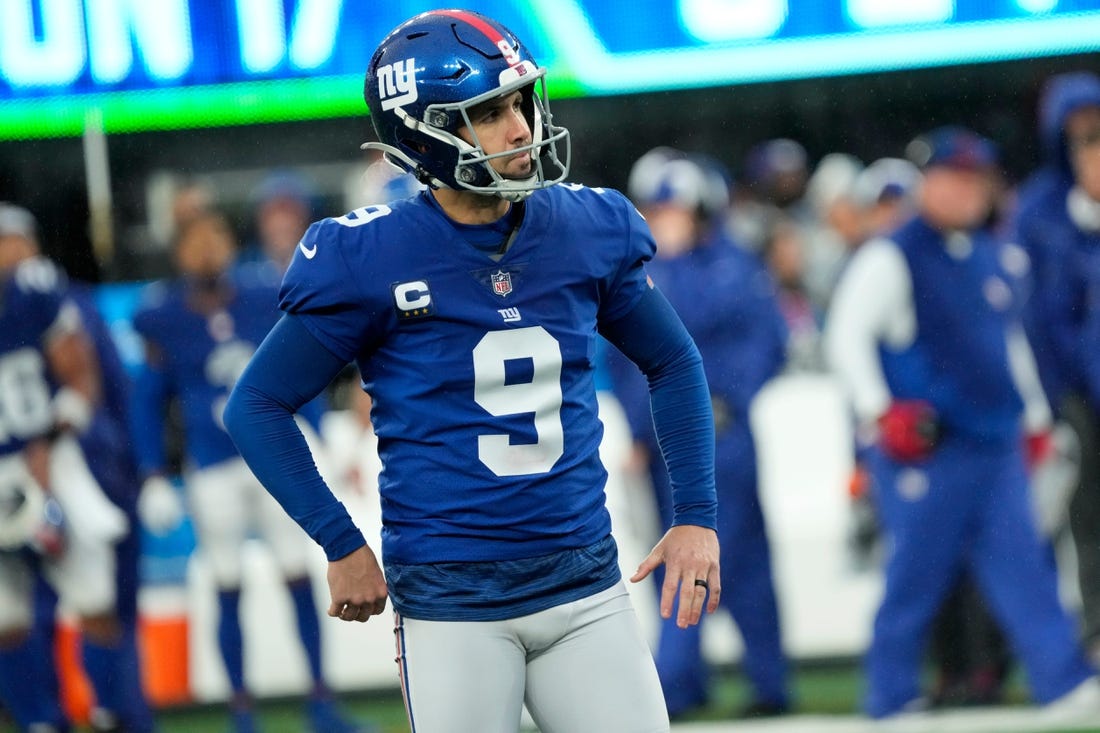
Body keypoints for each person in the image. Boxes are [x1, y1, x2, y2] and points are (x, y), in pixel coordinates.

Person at [222, 9, 720, 733]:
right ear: (424, 132)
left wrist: (697, 515)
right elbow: (257, 405)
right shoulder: (370, 256)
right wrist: (340, 540)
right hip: (453, 603)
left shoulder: (585, 227)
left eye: (519, 101)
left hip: (584, 584)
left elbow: (673, 359)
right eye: (489, 112)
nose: (520, 127)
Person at [824, 126, 1100, 720]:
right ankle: (891, 693)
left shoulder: (989, 253)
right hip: (929, 445)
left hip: (993, 441)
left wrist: (1032, 418)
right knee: (915, 575)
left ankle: (1062, 680)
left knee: (1024, 566)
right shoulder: (892, 252)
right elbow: (845, 335)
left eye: (977, 180)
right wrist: (878, 410)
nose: (968, 191)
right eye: (955, 178)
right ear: (930, 182)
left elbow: (1008, 343)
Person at [129, 211, 370, 733]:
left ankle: (321, 700)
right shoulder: (161, 315)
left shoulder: (265, 295)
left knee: (298, 576)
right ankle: (241, 707)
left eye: (216, 236)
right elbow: (148, 401)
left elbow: (295, 370)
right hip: (212, 466)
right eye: (195, 242)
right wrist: (151, 472)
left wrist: (325, 434)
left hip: (274, 457)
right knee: (227, 584)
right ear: (178, 253)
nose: (207, 251)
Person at [609, 148, 790, 719]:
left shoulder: (725, 267)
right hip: (668, 440)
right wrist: (642, 427)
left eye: (674, 208)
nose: (663, 220)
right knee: (701, 558)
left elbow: (766, 345)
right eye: (655, 209)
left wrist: (716, 402)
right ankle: (708, 683)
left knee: (720, 559)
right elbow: (622, 362)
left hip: (719, 435)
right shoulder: (642, 273)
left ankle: (685, 685)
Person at [0, 203, 147, 732]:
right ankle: (40, 721)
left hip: (55, 460)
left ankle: (111, 714)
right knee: (7, 617)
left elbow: (84, 381)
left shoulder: (37, 297)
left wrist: (48, 437)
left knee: (95, 598)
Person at [1013, 70, 1100, 668]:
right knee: (1085, 514)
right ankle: (1093, 632)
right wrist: (1057, 395)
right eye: (1077, 135)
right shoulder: (1041, 209)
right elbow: (1042, 317)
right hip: (1076, 390)